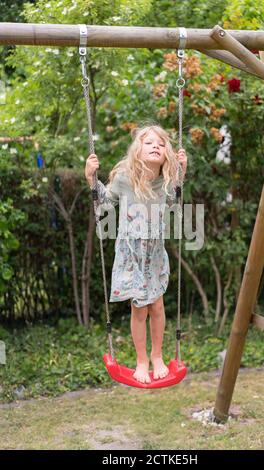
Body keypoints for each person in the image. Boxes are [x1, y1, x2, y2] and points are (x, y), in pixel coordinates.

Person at [85, 124, 187, 384]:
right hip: (131, 251)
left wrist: (181, 173)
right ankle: (141, 360)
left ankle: (157, 356)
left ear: (168, 153)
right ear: (137, 150)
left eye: (161, 144)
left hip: (154, 252)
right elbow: (106, 204)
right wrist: (91, 180)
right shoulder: (124, 178)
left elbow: (175, 204)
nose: (156, 146)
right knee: (139, 308)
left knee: (158, 305)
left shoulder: (165, 181)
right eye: (149, 142)